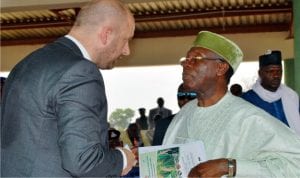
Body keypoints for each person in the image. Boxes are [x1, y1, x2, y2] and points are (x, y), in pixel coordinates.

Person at [1, 0, 136, 177]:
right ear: (106, 34)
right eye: (125, 40)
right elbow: (84, 161)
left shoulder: (28, 63)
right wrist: (123, 158)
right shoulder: (81, 72)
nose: (126, 51)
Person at [163, 31, 300, 177]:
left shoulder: (249, 118)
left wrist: (230, 166)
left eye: (196, 58)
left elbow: (295, 164)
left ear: (221, 68)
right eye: (186, 59)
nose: (186, 65)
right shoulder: (184, 114)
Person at [241, 50, 300, 135]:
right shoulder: (247, 99)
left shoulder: (291, 96)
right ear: (260, 73)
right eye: (270, 71)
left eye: (279, 71)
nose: (276, 75)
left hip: (292, 146)